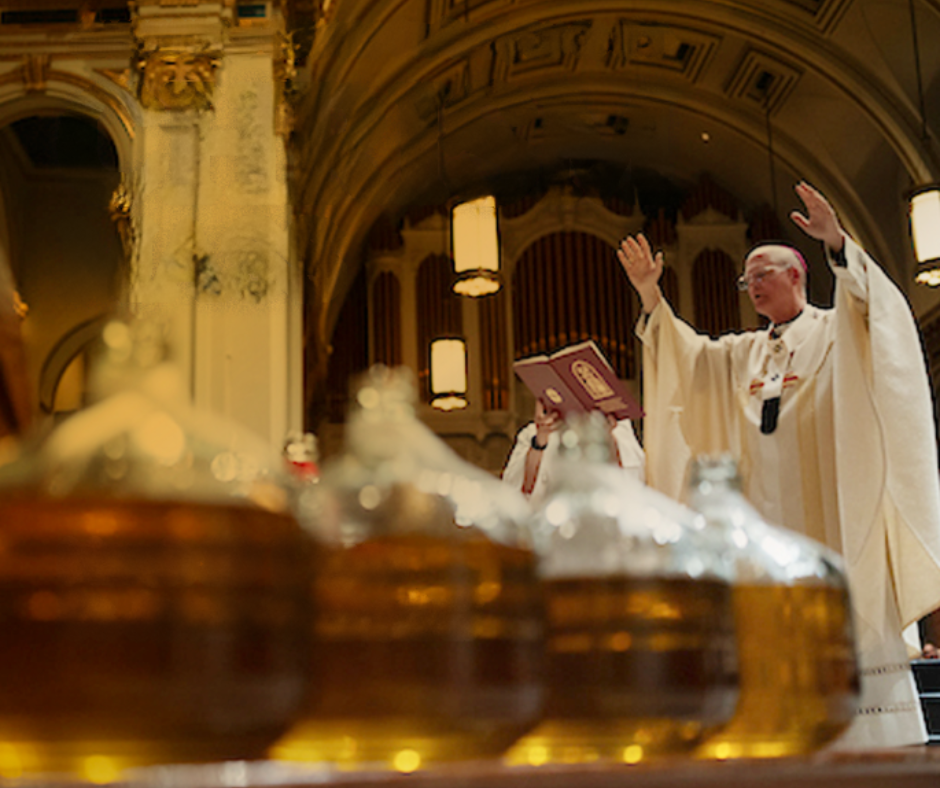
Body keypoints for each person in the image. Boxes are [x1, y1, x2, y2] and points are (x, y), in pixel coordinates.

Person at [617, 180, 940, 748]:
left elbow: (876, 313)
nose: (750, 285)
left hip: (836, 508)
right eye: (745, 279)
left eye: (760, 273)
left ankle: (873, 743)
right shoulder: (741, 353)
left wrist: (837, 241)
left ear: (797, 274)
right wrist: (651, 297)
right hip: (764, 520)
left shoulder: (836, 333)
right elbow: (683, 358)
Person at [502, 398, 645, 508]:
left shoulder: (619, 429)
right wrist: (540, 440)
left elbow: (631, 487)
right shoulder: (532, 432)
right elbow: (515, 493)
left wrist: (607, 437)